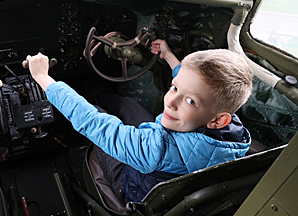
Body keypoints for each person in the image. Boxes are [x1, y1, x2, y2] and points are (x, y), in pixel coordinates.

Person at [26, 39, 253, 203]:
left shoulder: (155, 151)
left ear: (217, 120)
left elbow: (93, 123)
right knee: (128, 106)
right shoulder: (233, 129)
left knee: (97, 114)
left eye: (190, 102)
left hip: (132, 183)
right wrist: (167, 56)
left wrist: (43, 78)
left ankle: (96, 95)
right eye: (173, 88)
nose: (170, 101)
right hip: (164, 157)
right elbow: (191, 83)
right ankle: (100, 91)